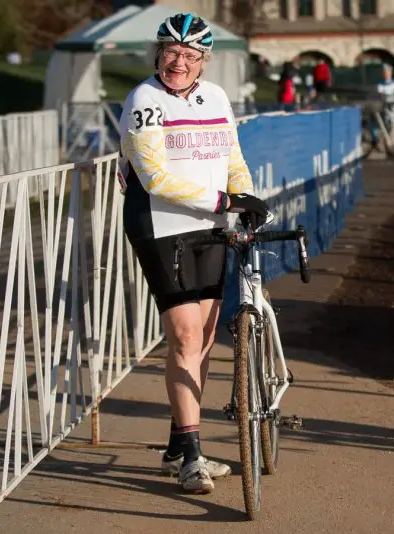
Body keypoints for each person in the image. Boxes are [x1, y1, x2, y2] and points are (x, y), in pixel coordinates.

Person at [118, 12, 270, 494]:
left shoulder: (216, 97)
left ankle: (176, 446)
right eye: (170, 52)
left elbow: (232, 157)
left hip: (209, 227)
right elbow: (153, 176)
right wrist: (225, 202)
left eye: (189, 55)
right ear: (157, 53)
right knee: (184, 336)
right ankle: (191, 457)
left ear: (204, 61)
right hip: (161, 227)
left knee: (203, 338)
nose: (178, 62)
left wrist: (245, 197)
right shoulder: (145, 99)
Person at [375, 63, 394, 154]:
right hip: (385, 108)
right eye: (385, 72)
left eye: (388, 72)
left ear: (391, 73)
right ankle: (388, 148)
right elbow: (380, 94)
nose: (386, 74)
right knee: (385, 127)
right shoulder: (380, 85)